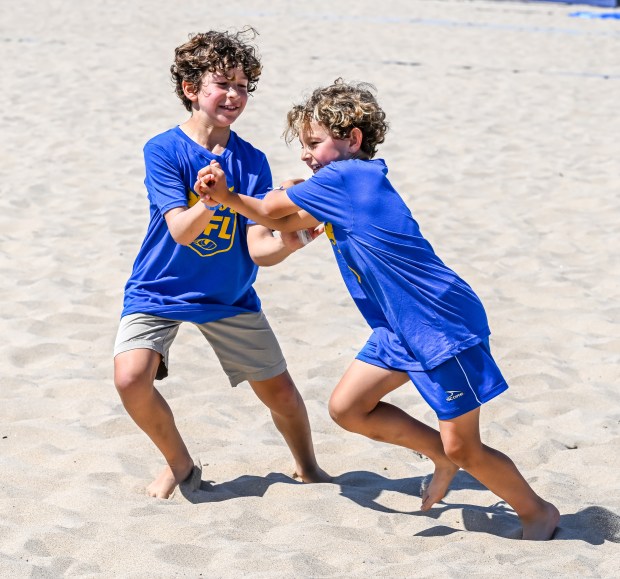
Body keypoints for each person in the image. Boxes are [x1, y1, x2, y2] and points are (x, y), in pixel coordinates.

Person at [194, 78, 560, 540]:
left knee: (467, 447)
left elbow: (270, 209)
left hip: (439, 323)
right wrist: (266, 199)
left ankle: (537, 512)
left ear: (353, 139)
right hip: (398, 326)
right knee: (349, 408)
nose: (307, 153)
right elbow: (281, 219)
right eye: (304, 144)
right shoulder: (342, 184)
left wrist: (229, 196)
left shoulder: (347, 177)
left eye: (315, 142)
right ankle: (439, 455)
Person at [113, 29, 329, 500]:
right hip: (160, 288)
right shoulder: (164, 150)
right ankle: (181, 464)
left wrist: (290, 243)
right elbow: (180, 230)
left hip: (227, 293)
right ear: (192, 89)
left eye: (243, 85)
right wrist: (213, 199)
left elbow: (257, 249)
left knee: (283, 396)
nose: (234, 95)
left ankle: (308, 468)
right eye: (222, 83)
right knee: (131, 379)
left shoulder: (251, 159)